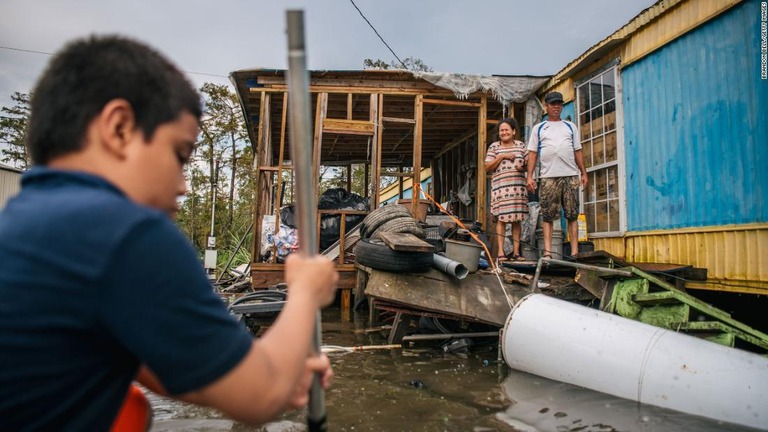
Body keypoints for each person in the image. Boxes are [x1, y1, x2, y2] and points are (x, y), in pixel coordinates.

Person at [0, 35, 339, 430]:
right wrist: (304, 293)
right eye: (179, 155)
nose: (183, 185)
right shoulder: (124, 233)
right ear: (119, 127)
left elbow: (174, 368)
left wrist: (277, 368)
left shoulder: (27, 226)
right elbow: (258, 395)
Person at [526, 91, 588, 258]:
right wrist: (530, 176)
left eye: (559, 104)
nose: (556, 107)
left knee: (572, 214)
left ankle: (575, 252)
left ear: (561, 105)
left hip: (570, 175)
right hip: (548, 177)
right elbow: (532, 153)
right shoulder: (539, 128)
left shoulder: (570, 126)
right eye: (552, 104)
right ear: (546, 106)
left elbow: (578, 150)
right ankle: (547, 253)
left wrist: (584, 172)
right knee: (548, 216)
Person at [484, 118, 528, 261]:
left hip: (517, 189)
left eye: (506, 130)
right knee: (501, 220)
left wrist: (524, 168)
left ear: (514, 131)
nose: (504, 133)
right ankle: (501, 253)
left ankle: (516, 253)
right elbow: (487, 167)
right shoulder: (494, 147)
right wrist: (502, 156)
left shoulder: (521, 146)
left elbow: (529, 163)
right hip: (501, 189)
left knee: (517, 220)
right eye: (501, 130)